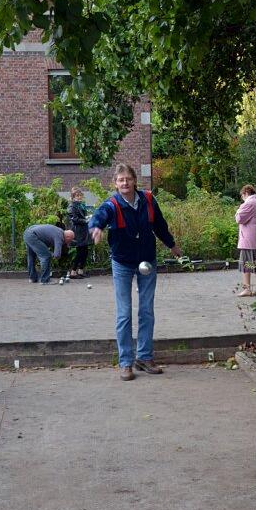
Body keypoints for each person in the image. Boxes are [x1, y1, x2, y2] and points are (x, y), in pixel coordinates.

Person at [88, 163, 182, 380]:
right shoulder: (112, 204)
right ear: (115, 183)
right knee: (124, 314)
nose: (125, 183)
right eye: (120, 180)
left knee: (146, 311)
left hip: (147, 262)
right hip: (122, 263)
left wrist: (172, 245)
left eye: (128, 179)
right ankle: (125, 362)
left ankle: (145, 358)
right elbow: (100, 215)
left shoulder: (148, 200)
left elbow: (159, 224)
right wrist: (97, 227)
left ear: (134, 181)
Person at [234, 184, 256, 297]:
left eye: (242, 196)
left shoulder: (249, 203)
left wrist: (239, 209)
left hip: (249, 239)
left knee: (246, 264)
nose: (242, 198)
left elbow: (239, 219)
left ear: (245, 193)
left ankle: (247, 289)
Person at [66, 187, 92, 279]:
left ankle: (80, 270)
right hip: (77, 231)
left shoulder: (81, 205)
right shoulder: (71, 206)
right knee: (80, 252)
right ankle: (73, 271)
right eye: (77, 195)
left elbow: (83, 217)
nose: (79, 197)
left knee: (85, 251)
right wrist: (86, 220)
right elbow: (74, 219)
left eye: (80, 195)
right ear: (73, 197)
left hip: (84, 230)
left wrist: (88, 217)